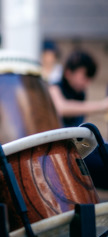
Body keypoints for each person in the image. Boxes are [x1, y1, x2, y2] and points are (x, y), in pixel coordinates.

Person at [48, 49, 108, 190]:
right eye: (84, 77)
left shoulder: (80, 93)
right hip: (59, 155)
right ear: (69, 72)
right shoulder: (54, 87)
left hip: (78, 151)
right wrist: (102, 105)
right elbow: (61, 108)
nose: (87, 83)